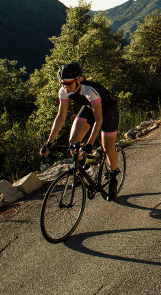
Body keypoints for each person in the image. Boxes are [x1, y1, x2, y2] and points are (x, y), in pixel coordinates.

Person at [39, 62, 122, 201]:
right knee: (73, 142)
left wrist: (89, 144)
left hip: (108, 110)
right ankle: (85, 167)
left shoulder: (90, 90)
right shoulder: (64, 90)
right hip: (89, 107)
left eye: (68, 83)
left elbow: (98, 120)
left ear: (77, 80)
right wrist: (49, 142)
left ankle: (113, 176)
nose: (65, 87)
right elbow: (60, 117)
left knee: (108, 148)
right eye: (62, 83)